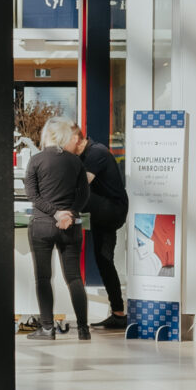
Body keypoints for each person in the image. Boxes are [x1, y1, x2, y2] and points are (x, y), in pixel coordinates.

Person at [26, 116, 91, 340]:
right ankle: (83, 329)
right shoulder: (76, 162)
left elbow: (32, 195)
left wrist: (54, 213)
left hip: (42, 226)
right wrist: (69, 213)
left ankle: (47, 328)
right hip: (71, 227)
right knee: (74, 277)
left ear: (46, 135)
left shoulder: (36, 160)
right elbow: (84, 195)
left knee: (43, 278)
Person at [76, 123, 128, 330]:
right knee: (103, 260)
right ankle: (118, 313)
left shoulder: (96, 152)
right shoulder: (84, 155)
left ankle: (118, 312)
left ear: (76, 139)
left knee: (81, 193)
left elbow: (82, 185)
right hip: (103, 214)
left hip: (112, 210)